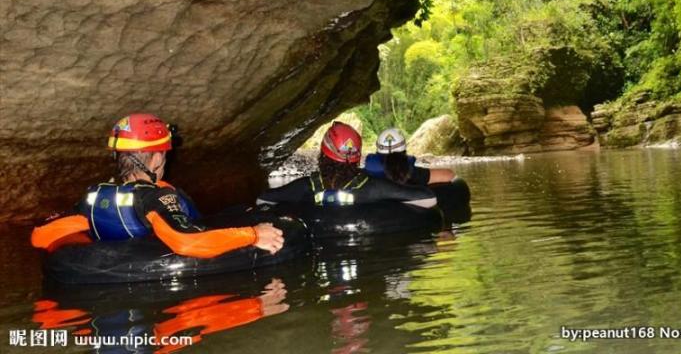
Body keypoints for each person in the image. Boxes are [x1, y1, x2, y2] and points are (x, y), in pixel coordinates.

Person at [31, 113, 284, 258]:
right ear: (156, 158)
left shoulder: (94, 198)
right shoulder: (157, 197)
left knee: (234, 212)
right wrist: (253, 235)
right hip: (162, 289)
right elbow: (188, 242)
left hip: (116, 274)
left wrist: (90, 249)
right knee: (235, 217)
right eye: (163, 155)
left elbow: (40, 236)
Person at [256, 122, 436, 208]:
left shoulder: (305, 187)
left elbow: (264, 199)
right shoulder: (373, 187)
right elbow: (427, 198)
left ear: (323, 153)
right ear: (357, 157)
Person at [363, 128, 455, 186]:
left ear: (378, 149)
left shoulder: (367, 170)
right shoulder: (411, 172)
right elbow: (449, 175)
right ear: (404, 150)